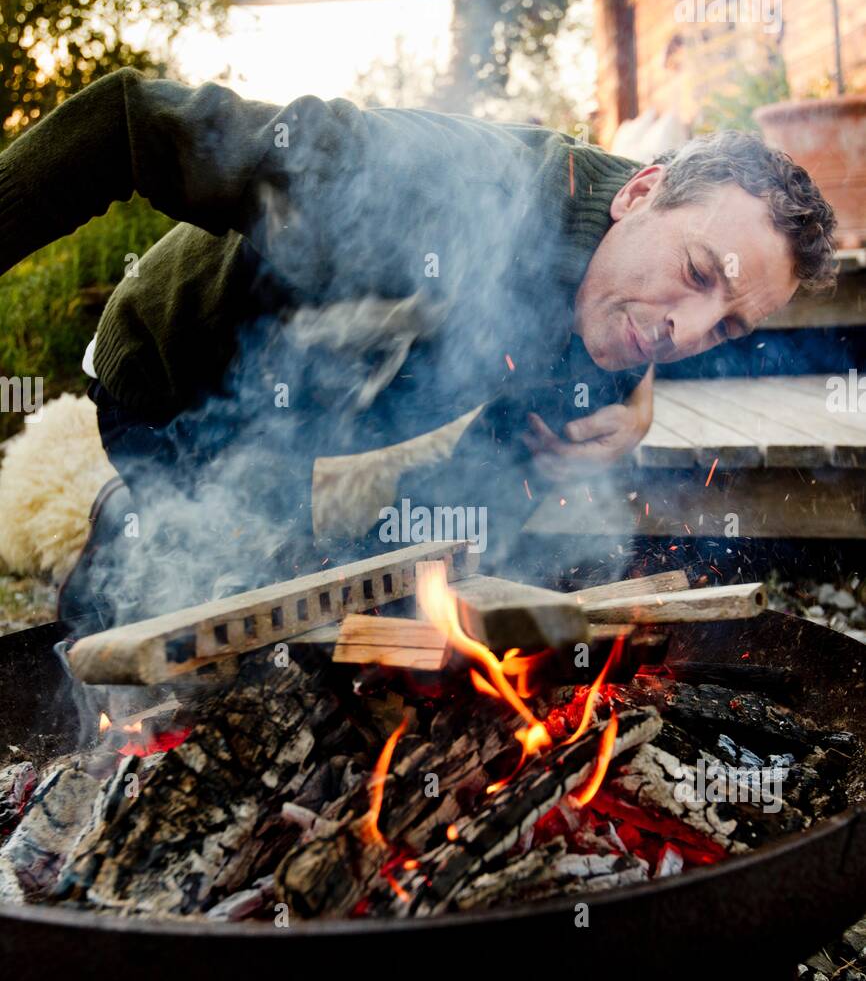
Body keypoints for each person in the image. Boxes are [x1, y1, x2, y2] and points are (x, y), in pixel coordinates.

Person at [0, 70, 836, 626]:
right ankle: (132, 517)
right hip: (172, 375)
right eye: (696, 273)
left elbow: (482, 478)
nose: (686, 331)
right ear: (643, 191)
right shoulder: (434, 182)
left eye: (726, 325)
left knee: (321, 613)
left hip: (318, 411)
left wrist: (405, 588)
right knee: (230, 621)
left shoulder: (619, 302)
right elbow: (125, 121)